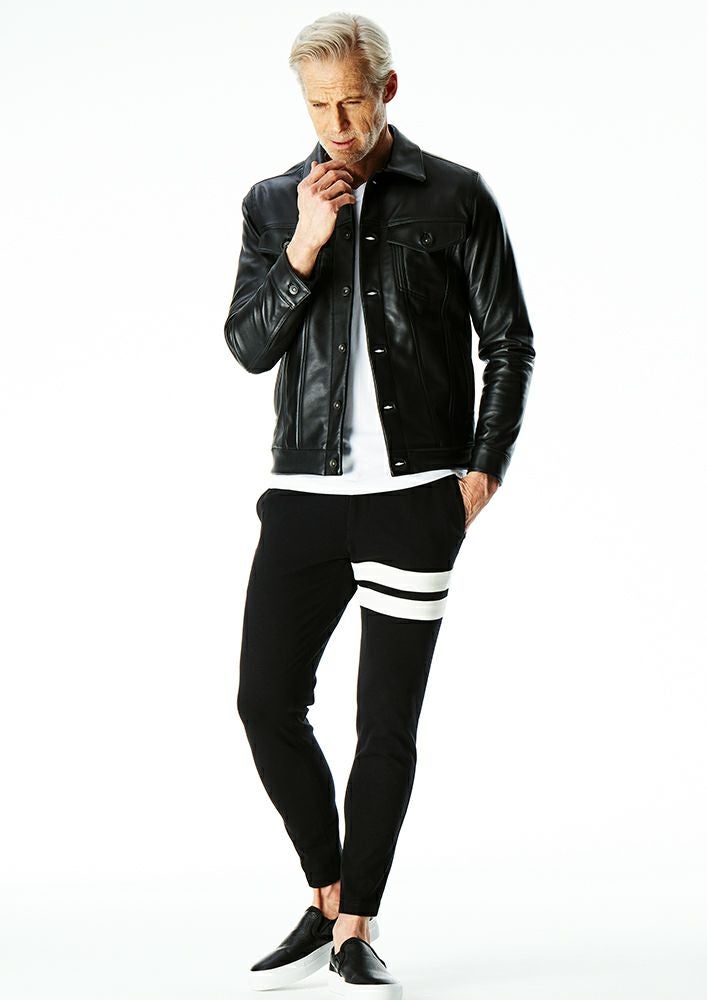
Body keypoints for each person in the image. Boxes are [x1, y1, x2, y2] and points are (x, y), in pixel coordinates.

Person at [223, 12, 535, 997]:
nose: (337, 123)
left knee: (384, 724)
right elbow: (248, 347)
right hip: (304, 499)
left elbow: (508, 340)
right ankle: (326, 893)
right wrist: (304, 246)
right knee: (265, 702)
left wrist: (479, 473)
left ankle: (357, 922)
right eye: (318, 105)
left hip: (414, 499)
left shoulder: (454, 195)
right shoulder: (272, 202)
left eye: (353, 99)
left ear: (387, 89)